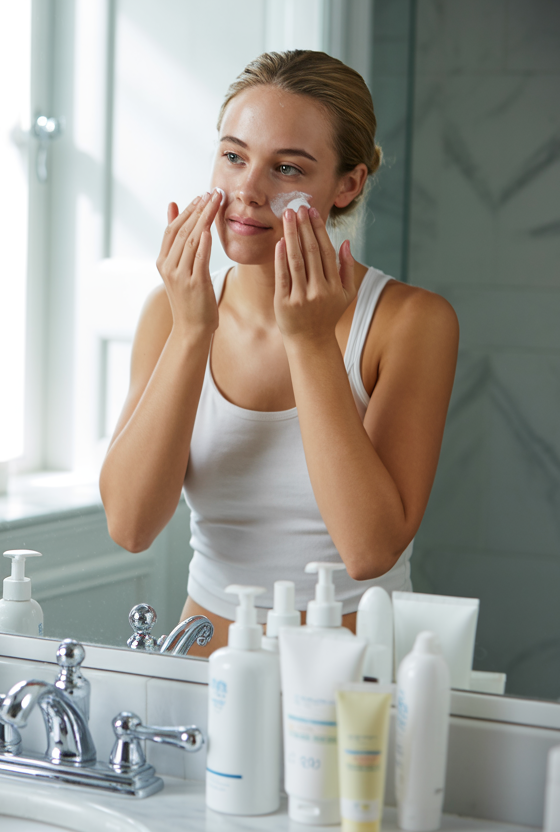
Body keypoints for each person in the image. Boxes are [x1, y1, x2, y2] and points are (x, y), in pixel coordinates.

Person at [99, 51, 458, 656]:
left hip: (350, 684)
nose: (247, 190)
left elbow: (369, 549)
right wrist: (192, 331)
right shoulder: (172, 312)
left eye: (287, 169)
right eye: (234, 156)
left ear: (347, 185)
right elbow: (131, 526)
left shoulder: (409, 323)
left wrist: (311, 339)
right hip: (202, 670)